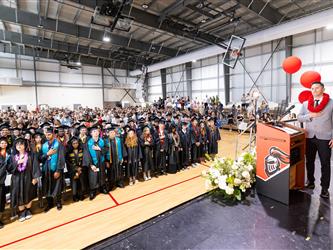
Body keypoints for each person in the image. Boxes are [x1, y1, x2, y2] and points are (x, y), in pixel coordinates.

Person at [297, 81, 333, 199]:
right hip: (310, 137)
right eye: (312, 88)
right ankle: (311, 182)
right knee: (309, 161)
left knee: (325, 164)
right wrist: (310, 115)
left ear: (323, 89)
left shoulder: (331, 103)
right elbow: (299, 117)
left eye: (317, 88)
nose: (314, 90)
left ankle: (324, 188)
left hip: (325, 138)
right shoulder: (306, 104)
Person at [8, 138, 40, 221]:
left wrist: (35, 177)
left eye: (21, 144)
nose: (19, 146)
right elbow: (9, 168)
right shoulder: (12, 156)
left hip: (28, 177)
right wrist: (17, 162)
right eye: (17, 144)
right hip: (16, 179)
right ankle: (22, 212)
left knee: (28, 193)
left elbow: (35, 166)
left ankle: (28, 210)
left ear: (24, 145)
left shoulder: (31, 155)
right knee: (18, 195)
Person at [40, 127, 66, 212]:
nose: (47, 136)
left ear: (54, 135)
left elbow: (61, 158)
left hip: (55, 169)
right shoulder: (43, 146)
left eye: (49, 134)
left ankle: (58, 202)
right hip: (46, 170)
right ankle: (50, 203)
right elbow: (40, 158)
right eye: (46, 134)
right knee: (47, 187)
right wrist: (47, 154)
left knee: (57, 187)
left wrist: (58, 170)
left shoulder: (59, 144)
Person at [83, 125, 107, 200]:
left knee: (102, 175)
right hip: (93, 163)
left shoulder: (102, 141)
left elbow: (106, 149)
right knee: (93, 177)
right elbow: (86, 154)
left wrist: (99, 148)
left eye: (96, 131)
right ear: (91, 134)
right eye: (94, 131)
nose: (96, 132)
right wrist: (90, 164)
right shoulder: (88, 143)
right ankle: (93, 191)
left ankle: (102, 188)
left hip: (101, 162)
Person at [105, 125, 127, 189]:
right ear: (108, 133)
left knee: (119, 171)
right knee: (110, 172)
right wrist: (106, 161)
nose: (112, 133)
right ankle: (111, 184)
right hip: (110, 160)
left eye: (113, 132)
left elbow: (123, 148)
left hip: (118, 159)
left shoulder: (119, 140)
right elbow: (104, 152)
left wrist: (123, 157)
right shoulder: (105, 141)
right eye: (111, 132)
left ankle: (119, 182)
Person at [66, 137, 86, 201]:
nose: (75, 144)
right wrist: (75, 169)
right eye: (74, 143)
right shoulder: (68, 152)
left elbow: (84, 159)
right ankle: (74, 196)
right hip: (73, 170)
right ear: (71, 144)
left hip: (81, 169)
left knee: (82, 182)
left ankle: (81, 195)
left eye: (76, 143)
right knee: (74, 184)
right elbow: (68, 162)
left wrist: (80, 168)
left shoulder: (82, 150)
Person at [0, 137, 10, 228]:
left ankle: (1, 218)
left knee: (2, 200)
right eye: (2, 143)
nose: (4, 144)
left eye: (5, 143)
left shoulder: (7, 153)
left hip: (2, 180)